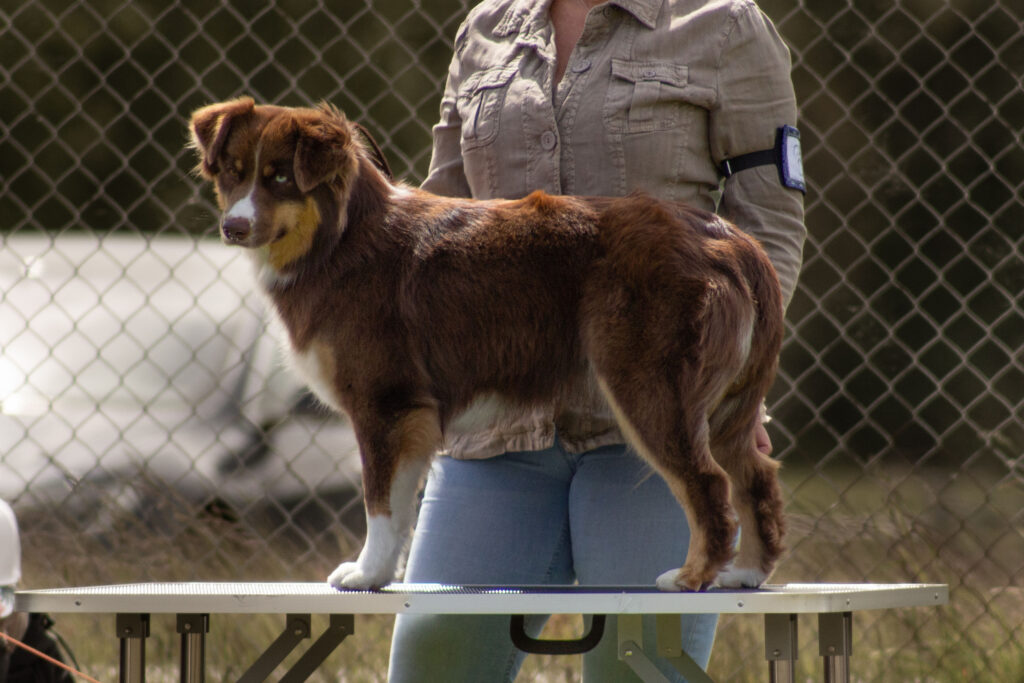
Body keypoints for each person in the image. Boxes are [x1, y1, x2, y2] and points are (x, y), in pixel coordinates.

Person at [387, 0, 805, 680]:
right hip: (493, 436)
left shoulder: (725, 25)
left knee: (637, 669)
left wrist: (736, 384)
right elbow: (441, 215)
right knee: (432, 665)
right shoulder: (486, 27)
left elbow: (772, 227)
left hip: (652, 441)